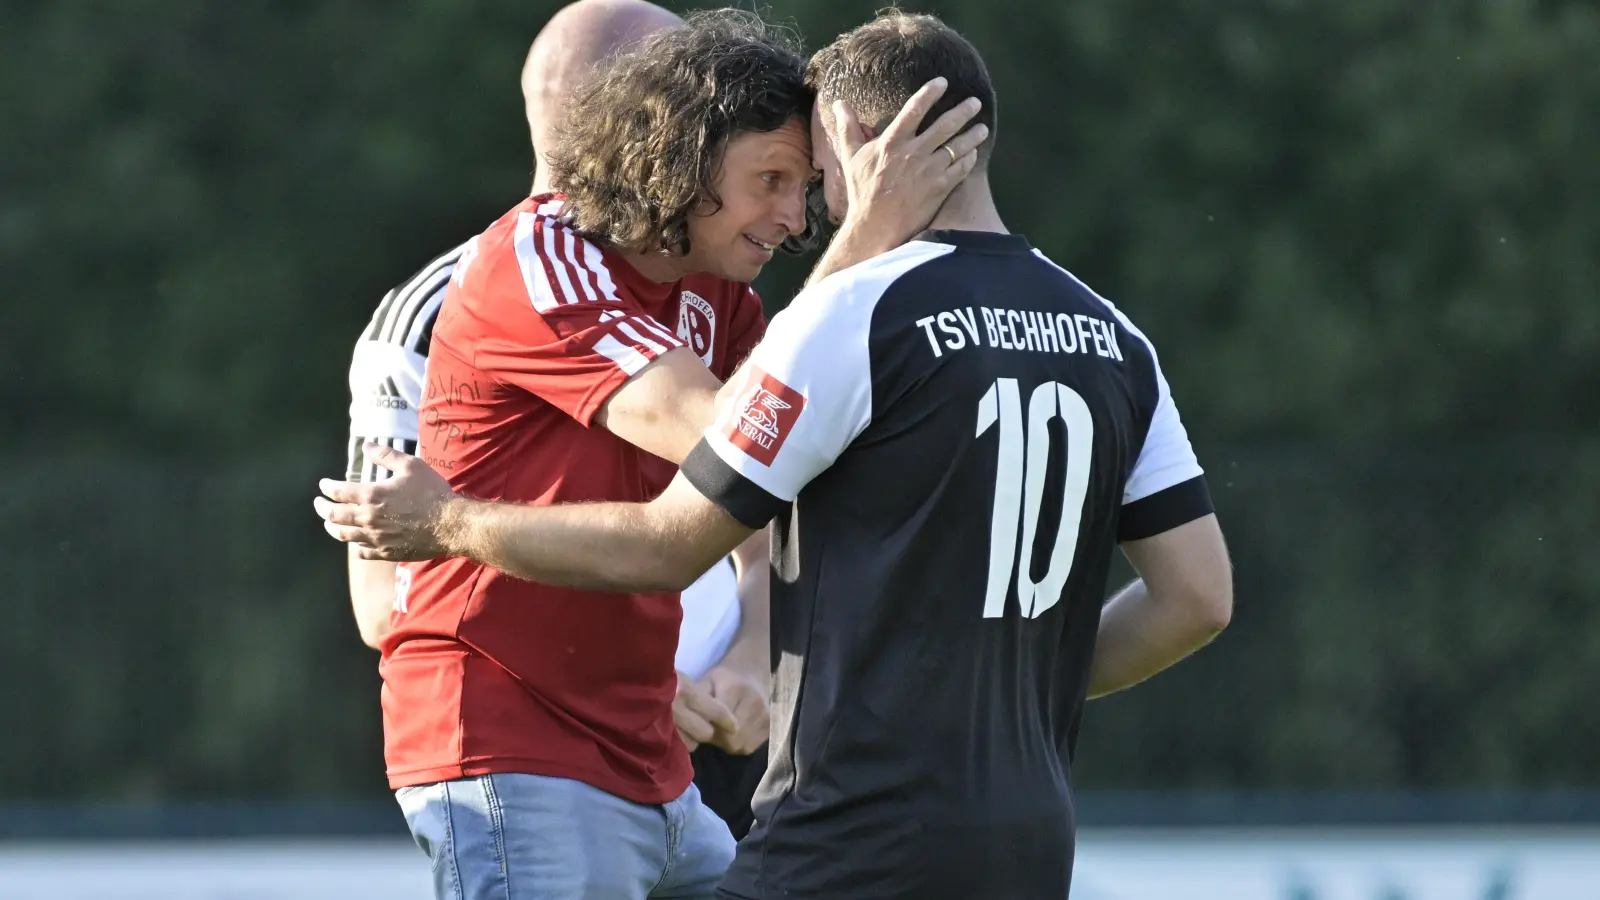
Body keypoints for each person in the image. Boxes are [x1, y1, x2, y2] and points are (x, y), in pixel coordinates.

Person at [318, 11, 1231, 899]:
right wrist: (1014, 687)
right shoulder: (543, 253)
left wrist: (754, 654)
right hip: (518, 739)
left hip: (686, 771)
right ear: (682, 148)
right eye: (774, 180)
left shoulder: (753, 301)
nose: (800, 217)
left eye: (812, 180)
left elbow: (748, 477)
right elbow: (729, 434)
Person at [341, 0, 774, 841]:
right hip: (559, 746)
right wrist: (631, 683)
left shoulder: (714, 284)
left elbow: (771, 516)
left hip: (731, 728)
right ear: (646, 117)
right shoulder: (434, 309)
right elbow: (383, 594)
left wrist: (755, 658)